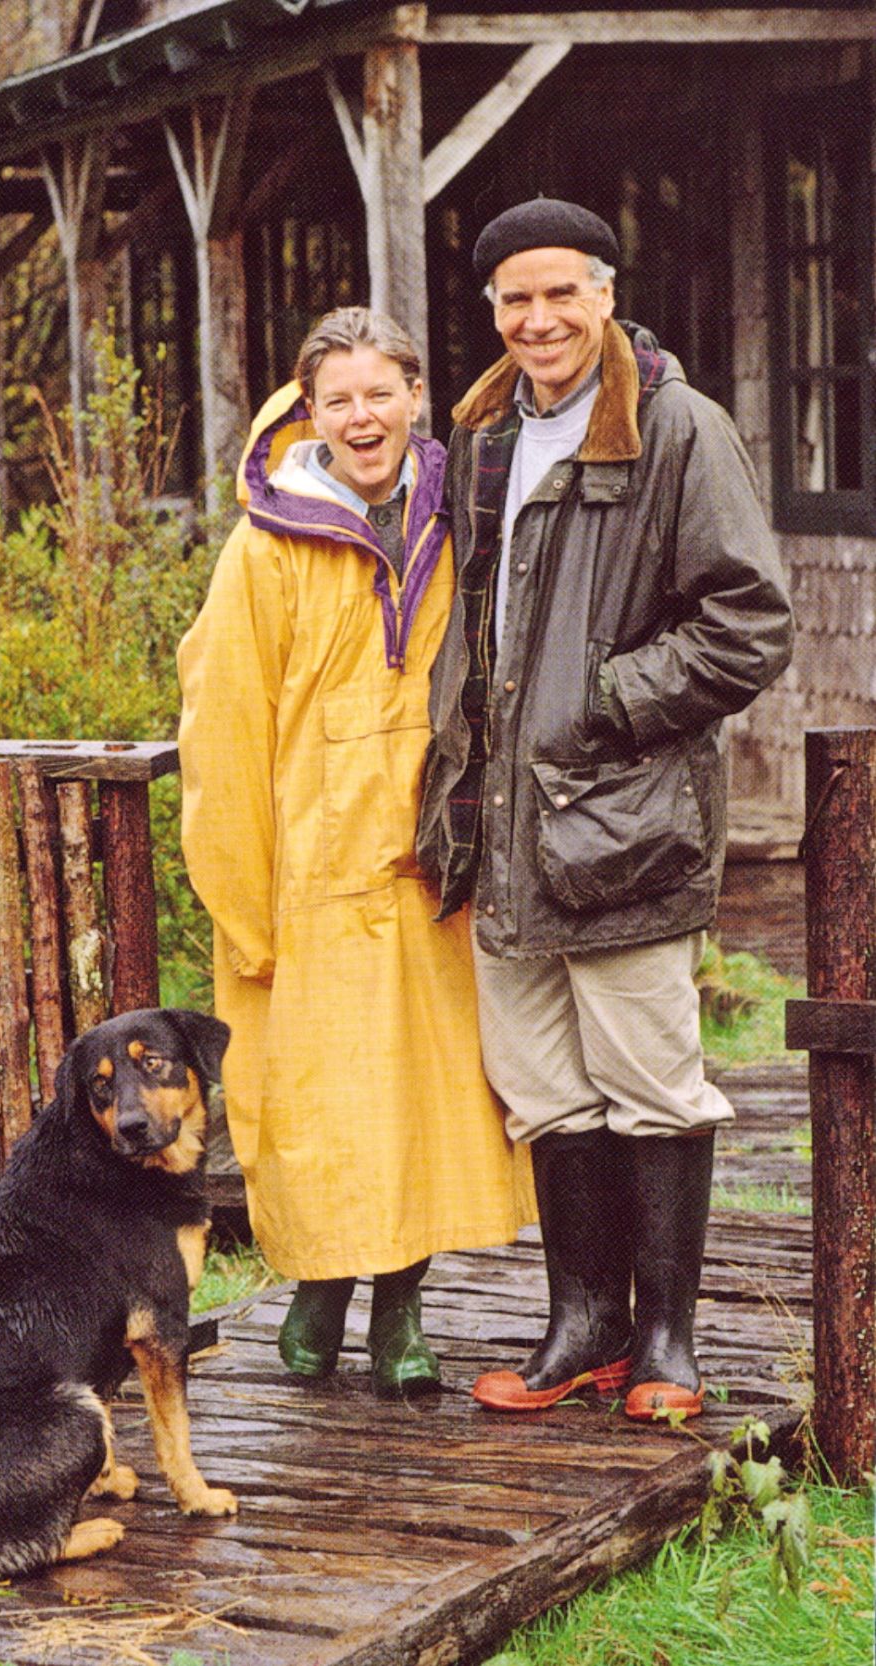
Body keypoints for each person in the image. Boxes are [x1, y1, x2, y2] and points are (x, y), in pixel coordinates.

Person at [416, 199, 793, 1421]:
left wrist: (601, 703)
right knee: (545, 1087)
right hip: (505, 826)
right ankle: (582, 1326)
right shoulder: (478, 433)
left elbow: (749, 624)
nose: (539, 320)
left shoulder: (680, 428)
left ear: (606, 293)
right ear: (491, 313)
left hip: (626, 817)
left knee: (652, 1083)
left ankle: (669, 1344)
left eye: (560, 294)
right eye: (514, 300)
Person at [178, 306, 535, 1397]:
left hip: (428, 860)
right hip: (310, 871)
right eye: (339, 398)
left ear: (416, 395)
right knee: (324, 1105)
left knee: (425, 1097)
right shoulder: (267, 541)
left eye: (381, 392)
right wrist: (241, 895)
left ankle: (401, 1310)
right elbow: (223, 722)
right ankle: (320, 1291)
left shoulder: (463, 513)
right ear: (310, 411)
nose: (363, 416)